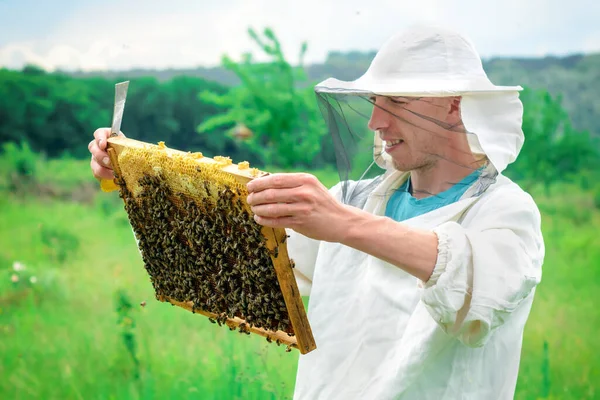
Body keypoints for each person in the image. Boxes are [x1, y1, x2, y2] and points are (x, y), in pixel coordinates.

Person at [90, 25, 544, 400]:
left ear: (454, 105)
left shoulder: (503, 210)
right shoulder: (355, 198)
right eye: (374, 102)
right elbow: (230, 260)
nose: (376, 122)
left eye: (398, 103)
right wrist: (139, 182)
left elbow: (476, 286)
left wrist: (340, 223)